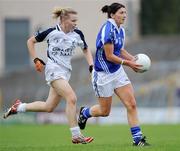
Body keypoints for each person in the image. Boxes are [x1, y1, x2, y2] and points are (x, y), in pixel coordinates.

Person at [3, 7, 94, 144]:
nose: (76, 23)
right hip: (53, 70)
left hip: (65, 73)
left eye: (77, 21)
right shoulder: (51, 32)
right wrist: (36, 59)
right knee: (72, 98)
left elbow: (86, 49)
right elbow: (30, 41)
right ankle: (76, 135)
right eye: (73, 20)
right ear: (63, 20)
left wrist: (91, 66)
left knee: (49, 107)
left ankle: (19, 107)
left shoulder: (77, 34)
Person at [78, 3, 150, 146]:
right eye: (121, 13)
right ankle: (85, 113)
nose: (124, 15)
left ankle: (138, 140)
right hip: (103, 74)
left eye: (125, 13)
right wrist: (129, 64)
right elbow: (109, 55)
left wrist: (133, 59)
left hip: (117, 72)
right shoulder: (107, 29)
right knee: (105, 111)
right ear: (112, 15)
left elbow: (120, 50)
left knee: (131, 104)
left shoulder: (120, 30)